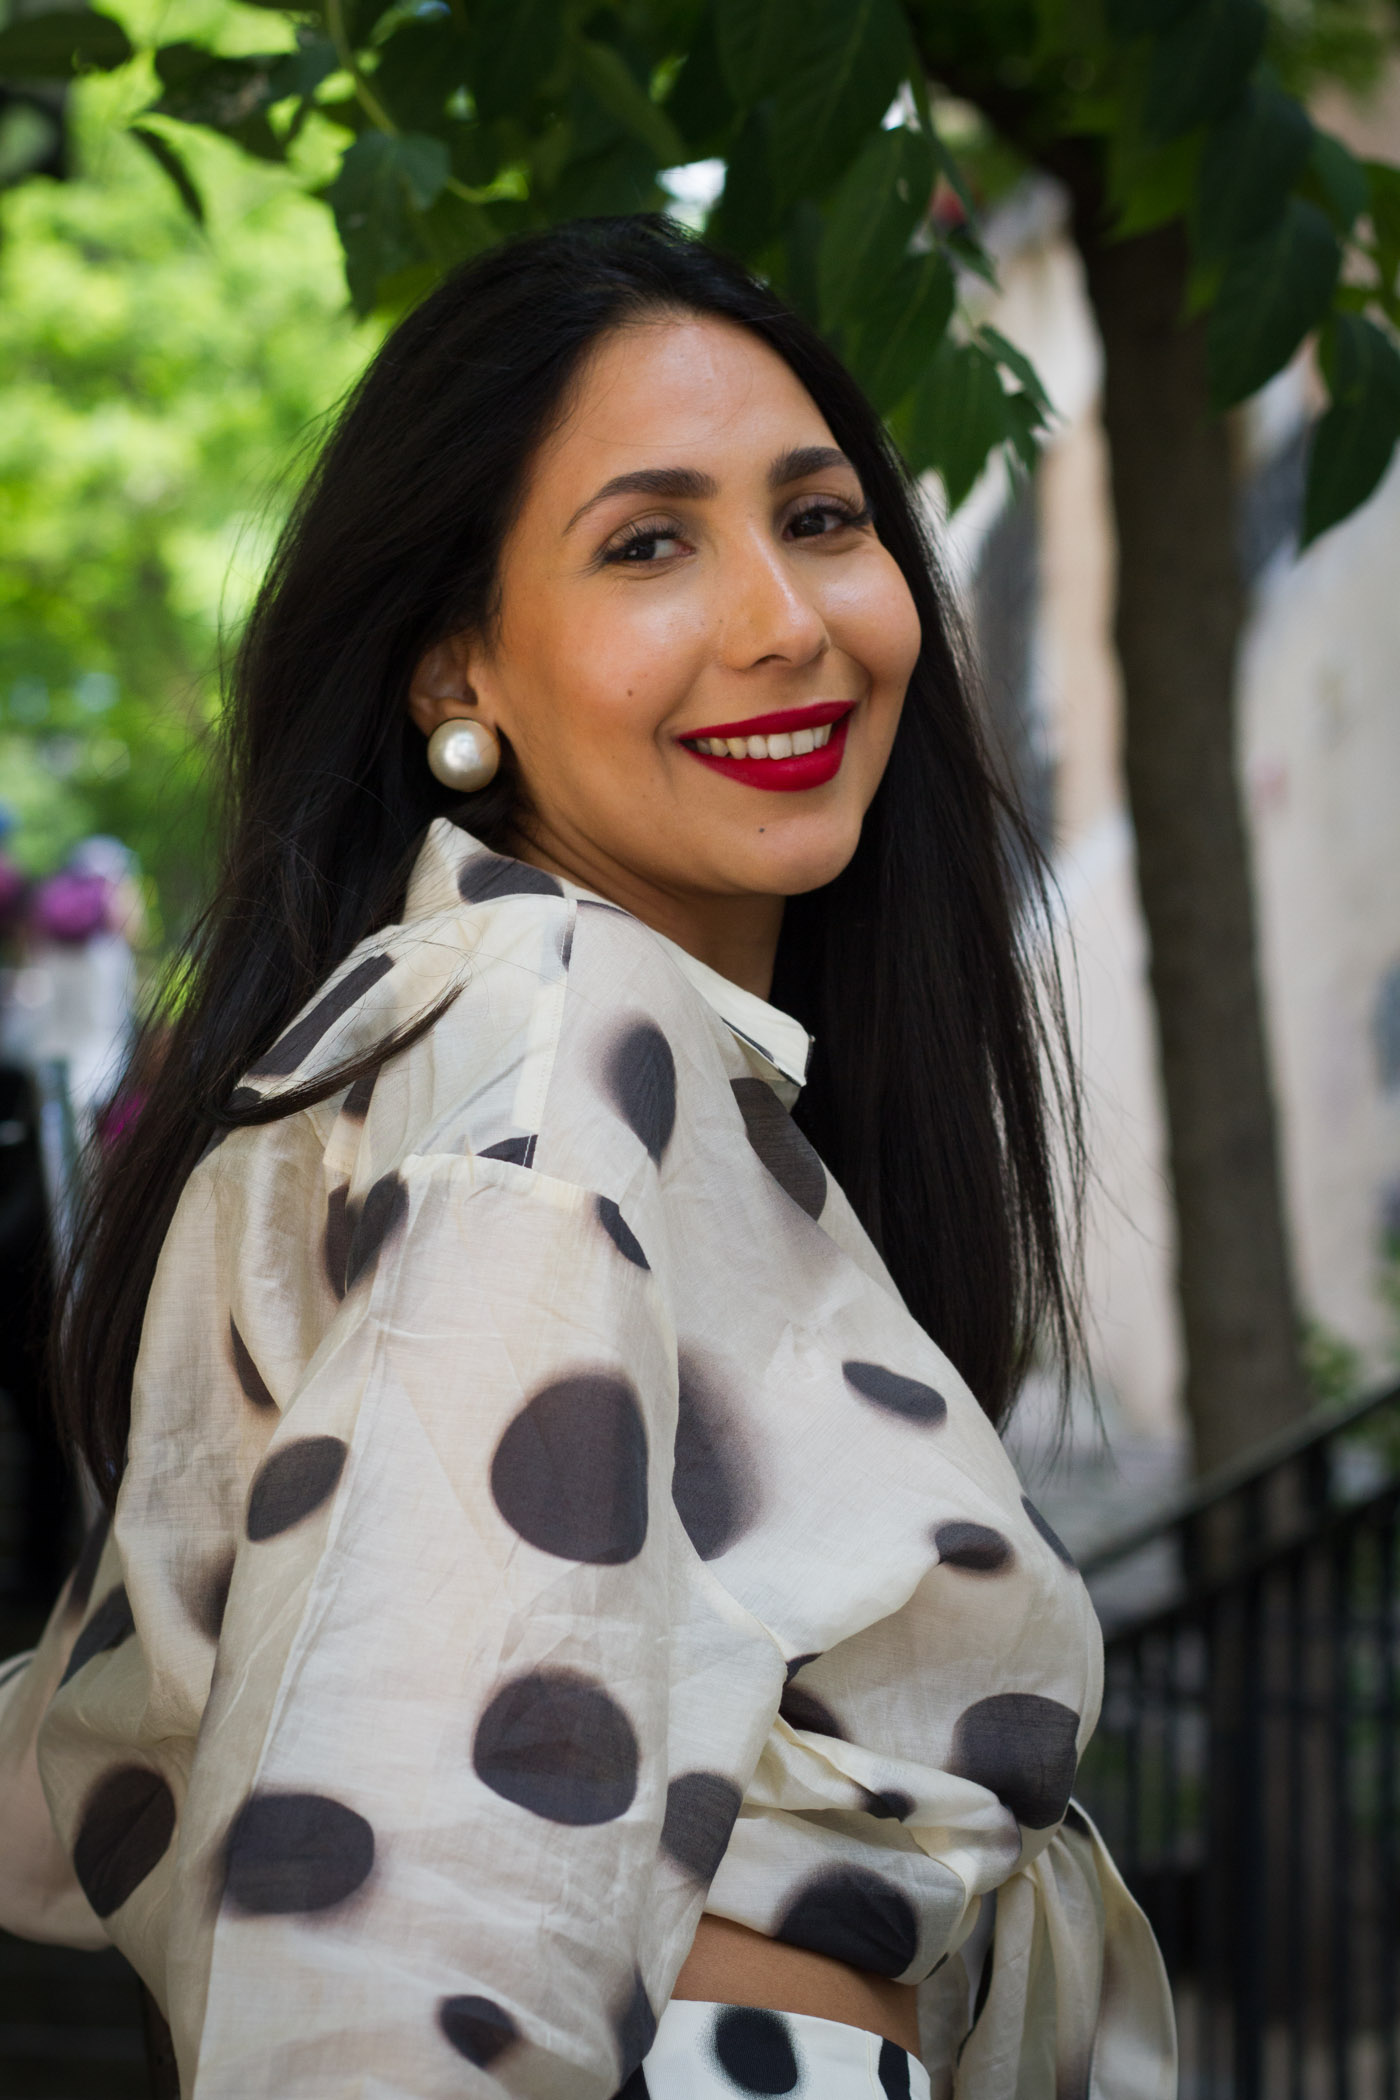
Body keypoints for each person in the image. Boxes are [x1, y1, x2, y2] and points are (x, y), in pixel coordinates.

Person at [0, 217, 1175, 2097]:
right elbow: (378, 1955)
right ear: (453, 667)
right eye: (647, 544)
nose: (784, 619)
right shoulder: (550, 1048)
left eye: (819, 517)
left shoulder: (615, 1065)